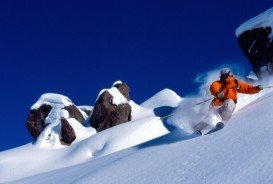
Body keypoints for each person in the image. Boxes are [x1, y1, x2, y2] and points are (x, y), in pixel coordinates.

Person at [194, 68, 263, 135]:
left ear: (230, 75)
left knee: (229, 103)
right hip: (216, 103)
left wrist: (257, 89)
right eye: (222, 77)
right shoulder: (219, 83)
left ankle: (220, 121)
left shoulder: (236, 83)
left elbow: (248, 88)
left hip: (227, 104)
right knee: (211, 116)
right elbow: (213, 87)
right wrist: (217, 93)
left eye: (226, 76)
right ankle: (197, 128)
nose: (224, 78)